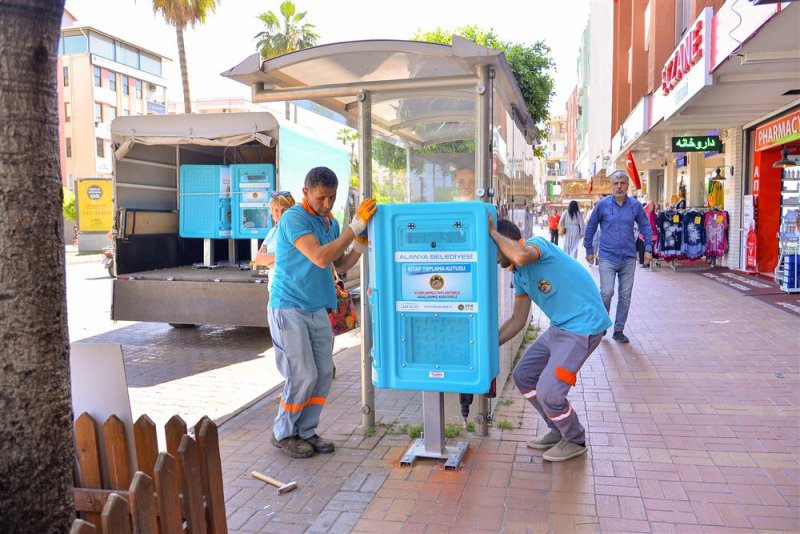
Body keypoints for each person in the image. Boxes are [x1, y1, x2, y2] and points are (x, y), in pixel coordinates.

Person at [268, 166, 377, 458]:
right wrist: (353, 227)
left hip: (317, 308)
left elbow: (339, 263)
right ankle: (284, 432)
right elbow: (319, 257)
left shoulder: (327, 221)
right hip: (288, 307)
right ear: (306, 193)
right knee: (301, 374)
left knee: (324, 373)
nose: (327, 204)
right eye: (321, 198)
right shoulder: (293, 218)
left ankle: (306, 431)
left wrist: (360, 241)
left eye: (332, 197)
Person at [489, 217, 611, 462]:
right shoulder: (520, 276)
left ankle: (575, 439)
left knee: (550, 392)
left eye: (494, 250)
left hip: (583, 327)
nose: (493, 259)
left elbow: (522, 255)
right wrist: (487, 346)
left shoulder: (537, 246)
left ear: (504, 243)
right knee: (524, 376)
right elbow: (517, 320)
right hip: (561, 329)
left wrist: (492, 232)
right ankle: (558, 431)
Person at [583, 171, 653, 344]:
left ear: (627, 186)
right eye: (616, 183)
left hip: (628, 258)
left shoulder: (635, 206)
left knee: (625, 295)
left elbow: (645, 225)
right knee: (606, 292)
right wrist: (589, 249)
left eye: (622, 183)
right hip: (607, 257)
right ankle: (603, 325)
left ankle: (619, 330)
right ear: (611, 186)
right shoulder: (602, 205)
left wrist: (649, 249)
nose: (619, 186)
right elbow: (591, 227)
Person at [255, 191, 296, 287]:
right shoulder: (272, 232)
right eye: (276, 210)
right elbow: (258, 260)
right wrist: (283, 259)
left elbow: (296, 257)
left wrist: (270, 260)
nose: (280, 214)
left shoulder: (294, 230)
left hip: (289, 287)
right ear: (271, 212)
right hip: (274, 287)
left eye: (284, 210)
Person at [636, 200, 658, 267]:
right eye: (649, 205)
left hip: (652, 234)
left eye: (652, 205)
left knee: (649, 249)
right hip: (644, 234)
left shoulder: (653, 213)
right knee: (644, 249)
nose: (651, 207)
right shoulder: (645, 212)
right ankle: (645, 263)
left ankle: (648, 263)